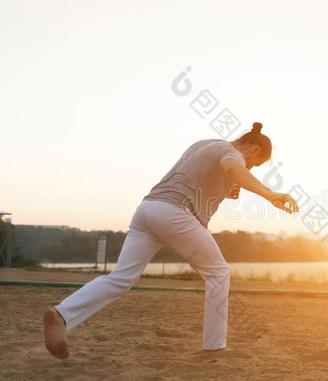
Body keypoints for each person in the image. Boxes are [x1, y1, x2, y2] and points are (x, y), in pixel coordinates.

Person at [44, 122, 298, 359]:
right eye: (254, 164)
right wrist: (270, 194)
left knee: (120, 278)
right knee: (219, 273)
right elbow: (233, 167)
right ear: (253, 148)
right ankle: (214, 347)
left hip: (147, 210)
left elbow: (204, 175)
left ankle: (62, 315)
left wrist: (224, 186)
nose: (250, 168)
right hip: (176, 213)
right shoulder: (231, 153)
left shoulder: (204, 144)